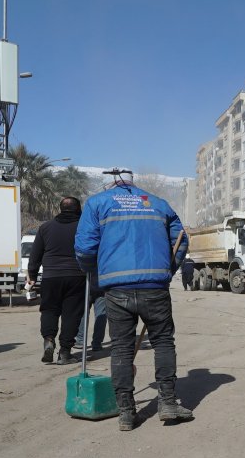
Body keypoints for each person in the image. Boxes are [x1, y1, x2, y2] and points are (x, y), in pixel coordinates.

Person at [75, 170, 192, 431]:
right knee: (163, 342)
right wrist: (167, 269)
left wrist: (94, 270)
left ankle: (126, 413)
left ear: (112, 182)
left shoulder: (97, 203)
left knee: (121, 349)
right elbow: (182, 240)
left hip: (117, 288)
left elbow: (84, 248)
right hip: (155, 287)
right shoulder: (159, 204)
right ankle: (168, 403)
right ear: (132, 182)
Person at [28, 197, 87, 365]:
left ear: (60, 208)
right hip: (77, 276)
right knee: (71, 314)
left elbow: (35, 254)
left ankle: (48, 339)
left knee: (49, 310)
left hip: (51, 276)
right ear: (78, 209)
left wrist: (32, 275)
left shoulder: (45, 227)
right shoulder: (84, 227)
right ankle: (65, 352)